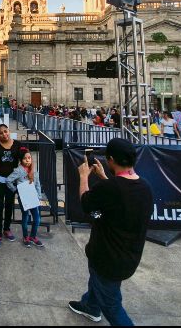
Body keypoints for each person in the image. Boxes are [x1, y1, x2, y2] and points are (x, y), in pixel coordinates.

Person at [69, 138, 153, 326]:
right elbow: (122, 197)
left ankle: (96, 308)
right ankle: (90, 307)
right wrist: (104, 177)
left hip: (108, 259)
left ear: (111, 160)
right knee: (98, 282)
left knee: (112, 305)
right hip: (128, 256)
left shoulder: (110, 188)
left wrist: (83, 176)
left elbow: (86, 203)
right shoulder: (144, 187)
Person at [6, 147, 45, 247]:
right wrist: (16, 190)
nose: (27, 160)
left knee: (37, 219)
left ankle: (33, 236)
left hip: (33, 197)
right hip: (24, 198)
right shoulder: (18, 170)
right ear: (21, 160)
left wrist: (39, 197)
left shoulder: (34, 170)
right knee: (26, 217)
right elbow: (8, 180)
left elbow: (37, 184)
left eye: (29, 158)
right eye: (25, 158)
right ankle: (25, 237)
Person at [0, 124, 22, 248]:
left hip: (11, 181)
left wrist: (30, 173)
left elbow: (26, 158)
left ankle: (7, 229)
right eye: (1, 133)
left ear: (9, 131)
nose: (4, 134)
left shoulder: (17, 144)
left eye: (6, 131)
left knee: (9, 205)